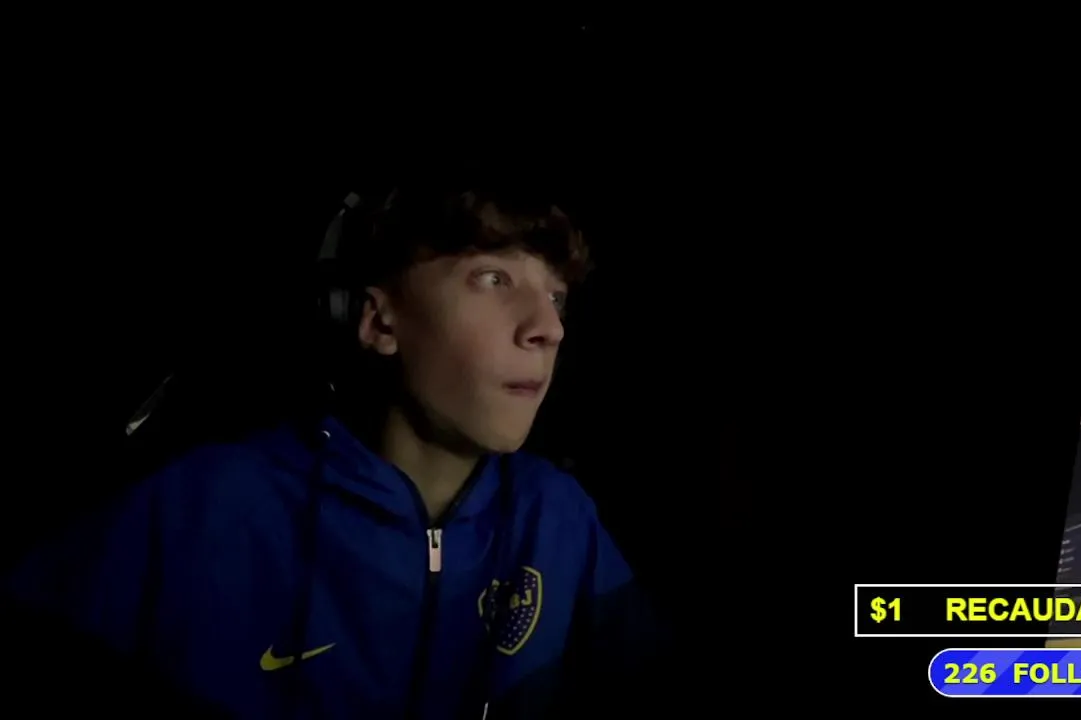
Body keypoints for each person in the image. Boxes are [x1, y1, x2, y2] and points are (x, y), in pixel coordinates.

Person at [4, 185, 658, 718]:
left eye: (556, 296)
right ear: (378, 322)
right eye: (493, 278)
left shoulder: (559, 520)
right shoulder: (199, 509)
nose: (549, 327)